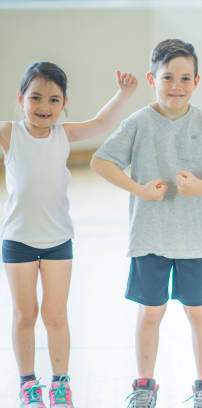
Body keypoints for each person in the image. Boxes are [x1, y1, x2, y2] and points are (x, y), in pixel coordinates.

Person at [90, 39, 202, 408]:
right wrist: (138, 189)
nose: (176, 85)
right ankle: (144, 386)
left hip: (195, 240)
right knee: (150, 312)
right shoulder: (138, 123)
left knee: (199, 312)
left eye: (185, 78)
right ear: (151, 79)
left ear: (196, 81)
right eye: (167, 77)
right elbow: (101, 161)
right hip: (150, 237)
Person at [0, 61, 137, 408]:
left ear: (64, 105)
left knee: (56, 315)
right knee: (23, 315)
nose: (44, 107)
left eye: (53, 99)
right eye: (36, 98)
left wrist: (123, 93)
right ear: (20, 99)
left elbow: (102, 123)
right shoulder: (9, 133)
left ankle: (60, 384)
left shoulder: (64, 134)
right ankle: (28, 384)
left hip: (58, 240)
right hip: (17, 241)